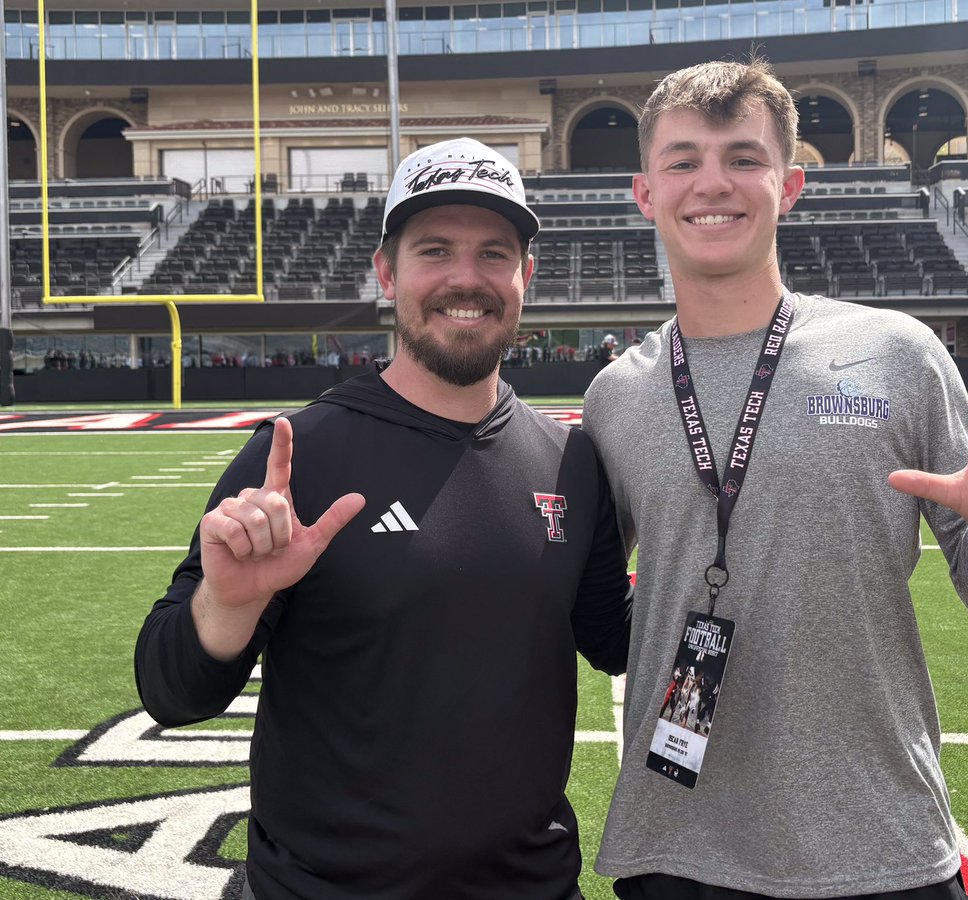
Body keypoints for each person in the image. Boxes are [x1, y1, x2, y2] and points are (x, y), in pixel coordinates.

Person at [582, 58, 968, 900]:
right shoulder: (616, 396)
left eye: (743, 158)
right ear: (644, 192)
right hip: (674, 849)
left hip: (879, 839)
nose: (714, 183)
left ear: (791, 185)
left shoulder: (897, 353)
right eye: (684, 161)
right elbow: (588, 605)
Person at [135, 137, 632, 900]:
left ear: (525, 277)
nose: (467, 279)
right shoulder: (299, 455)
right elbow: (173, 693)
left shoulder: (571, 461)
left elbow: (617, 639)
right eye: (435, 250)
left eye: (493, 254)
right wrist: (229, 601)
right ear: (387, 272)